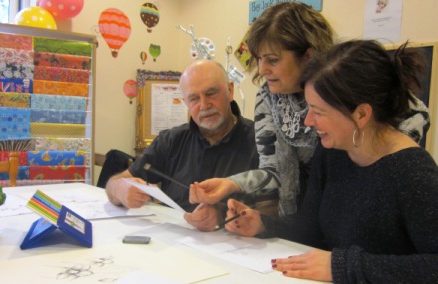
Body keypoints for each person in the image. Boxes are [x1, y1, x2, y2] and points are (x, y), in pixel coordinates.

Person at [223, 40, 438, 283]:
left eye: (319, 111)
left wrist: (344, 266)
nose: (308, 121)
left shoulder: (413, 171)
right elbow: (311, 230)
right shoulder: (333, 152)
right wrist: (262, 224)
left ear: (361, 114)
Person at [189, 2, 430, 218]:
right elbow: (273, 170)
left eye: (272, 60)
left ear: (308, 55)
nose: (261, 70)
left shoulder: (353, 93)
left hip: (360, 213)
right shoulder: (269, 97)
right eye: (259, 58)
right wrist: (233, 184)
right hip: (310, 217)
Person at [105, 60, 259, 231]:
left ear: (230, 91)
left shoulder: (260, 141)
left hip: (237, 249)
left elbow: (276, 212)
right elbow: (113, 183)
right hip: (174, 246)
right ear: (185, 102)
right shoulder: (171, 140)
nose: (204, 105)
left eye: (211, 93)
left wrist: (222, 214)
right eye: (194, 98)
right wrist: (120, 189)